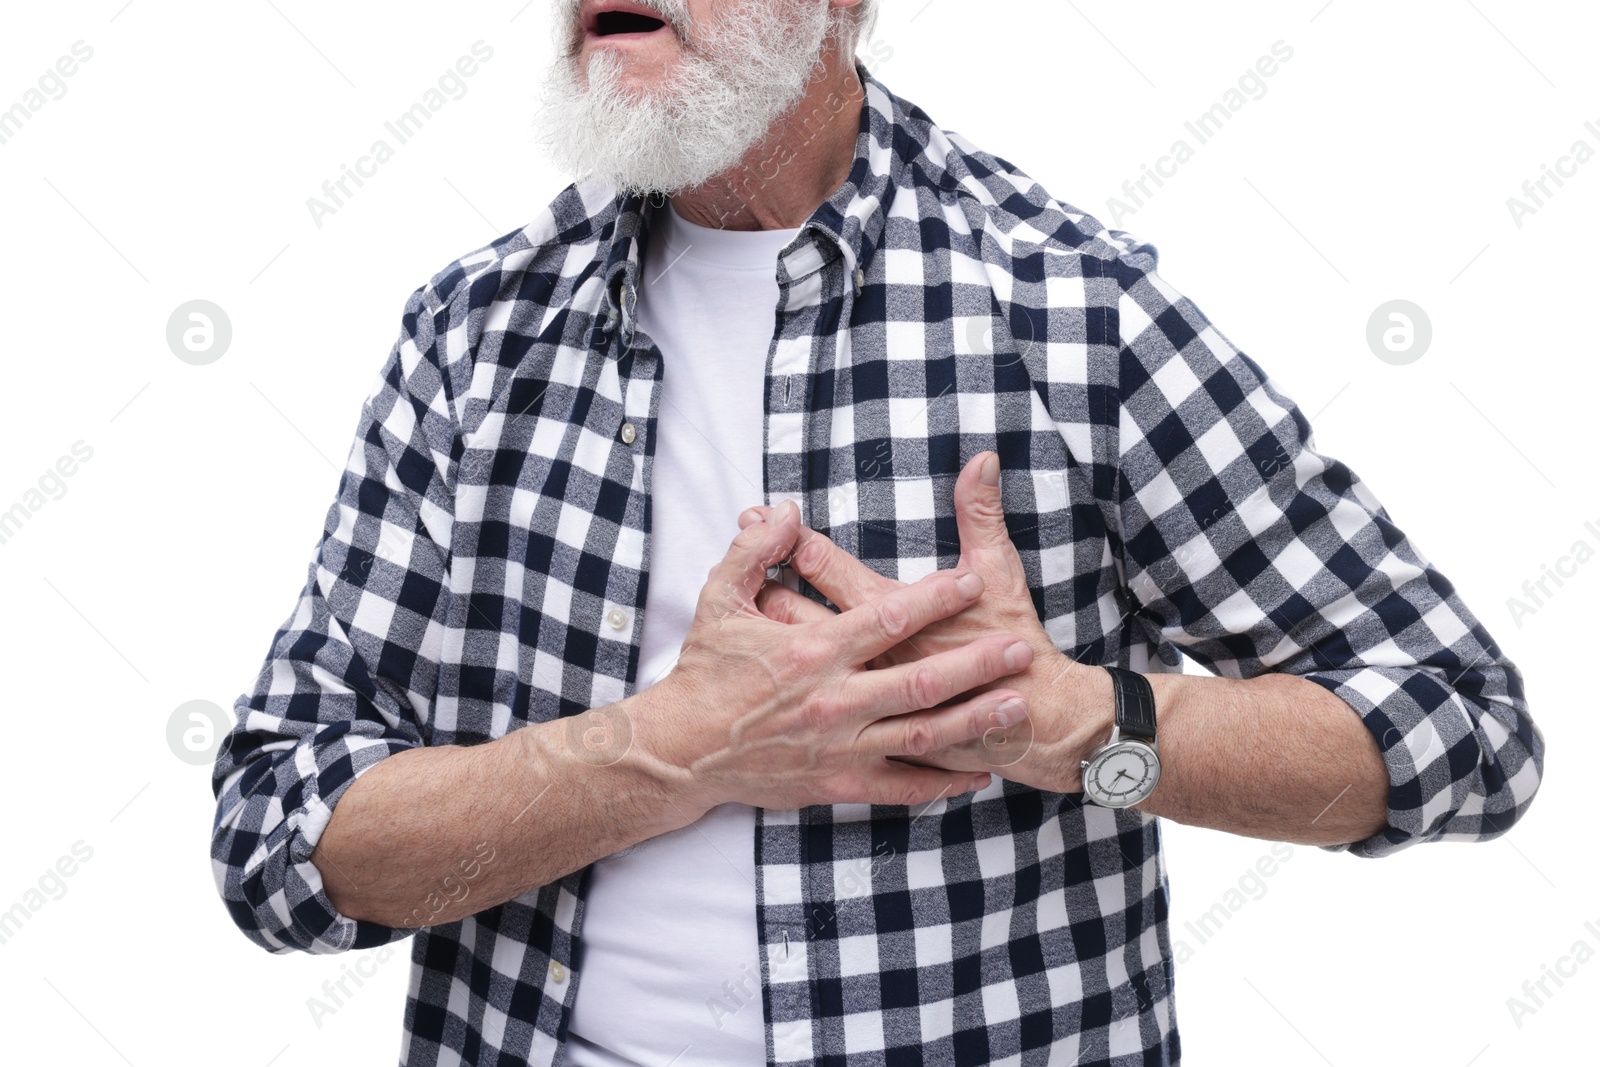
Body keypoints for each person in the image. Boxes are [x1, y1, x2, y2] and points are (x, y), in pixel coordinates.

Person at [209, 1, 1545, 1064]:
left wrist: (1083, 734)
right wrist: (674, 747)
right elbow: (276, 840)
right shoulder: (473, 337)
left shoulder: (1070, 313)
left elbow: (1465, 732)